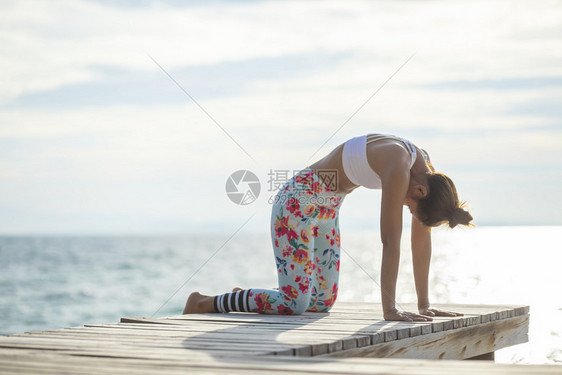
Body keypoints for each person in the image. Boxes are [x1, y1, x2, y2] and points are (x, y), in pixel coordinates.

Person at [183, 133, 473, 321]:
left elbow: (420, 243)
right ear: (421, 191)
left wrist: (424, 305)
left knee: (321, 302)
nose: (406, 207)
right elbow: (390, 241)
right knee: (295, 303)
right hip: (297, 202)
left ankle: (253, 297)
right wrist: (390, 310)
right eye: (410, 207)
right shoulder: (399, 164)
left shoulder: (423, 173)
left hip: (328, 210)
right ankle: (202, 303)